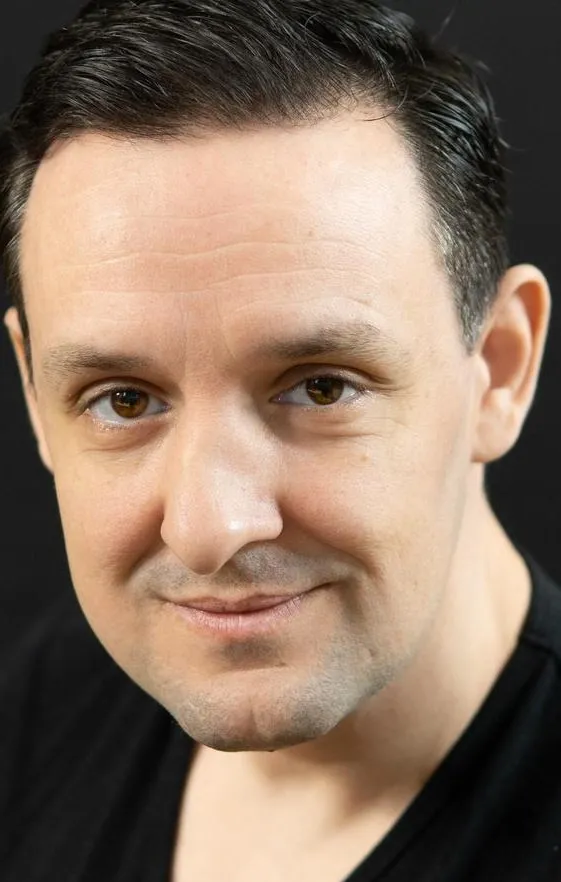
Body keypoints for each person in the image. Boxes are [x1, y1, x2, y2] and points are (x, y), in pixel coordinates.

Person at [0, 0, 559, 879]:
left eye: (320, 387)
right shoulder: (42, 710)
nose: (208, 529)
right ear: (35, 395)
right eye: (124, 400)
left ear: (496, 369)